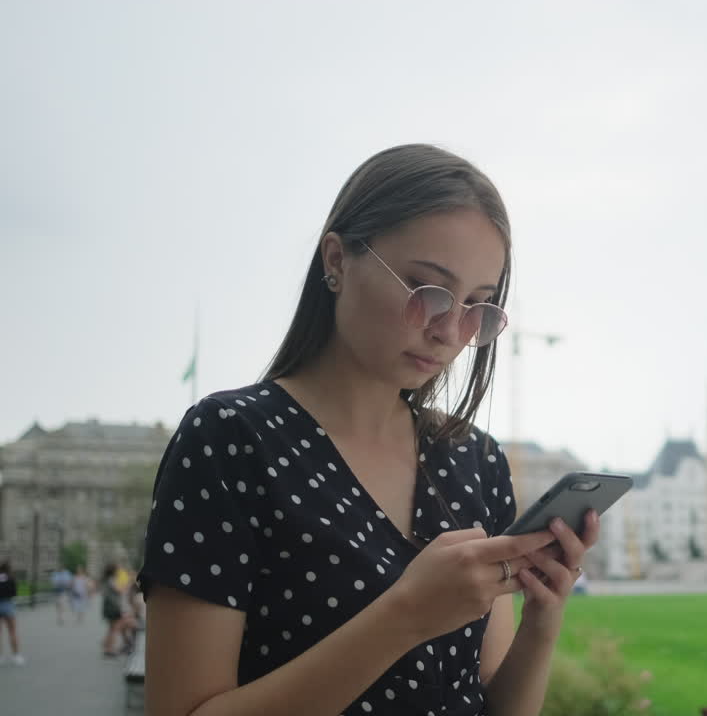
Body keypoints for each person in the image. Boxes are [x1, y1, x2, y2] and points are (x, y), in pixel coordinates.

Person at [138, 144, 599, 716]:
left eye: (478, 307)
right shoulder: (231, 439)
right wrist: (404, 617)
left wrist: (544, 617)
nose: (450, 331)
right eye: (428, 291)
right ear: (336, 260)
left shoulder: (474, 459)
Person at [102, 563, 138, 657]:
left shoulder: (108, 580)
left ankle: (108, 647)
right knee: (116, 628)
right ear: (113, 571)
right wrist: (129, 582)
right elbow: (120, 590)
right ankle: (109, 649)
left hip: (110, 607)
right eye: (117, 569)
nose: (119, 571)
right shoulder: (111, 580)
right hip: (113, 608)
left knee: (113, 628)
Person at [0, 562, 24, 666]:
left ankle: (0, 657)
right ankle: (16, 655)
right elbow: (14, 593)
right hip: (8, 605)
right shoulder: (11, 578)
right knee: (12, 632)